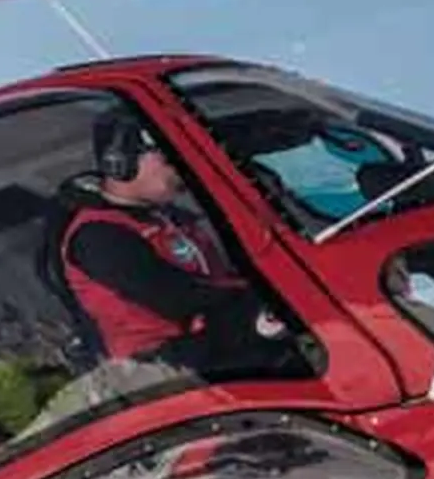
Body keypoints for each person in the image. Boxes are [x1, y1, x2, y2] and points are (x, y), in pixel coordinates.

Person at [56, 110, 306, 382]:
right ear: (120, 163)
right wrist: (264, 293)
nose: (180, 166)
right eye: (167, 157)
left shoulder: (170, 218)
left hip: (212, 340)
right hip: (167, 368)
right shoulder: (98, 235)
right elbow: (176, 298)